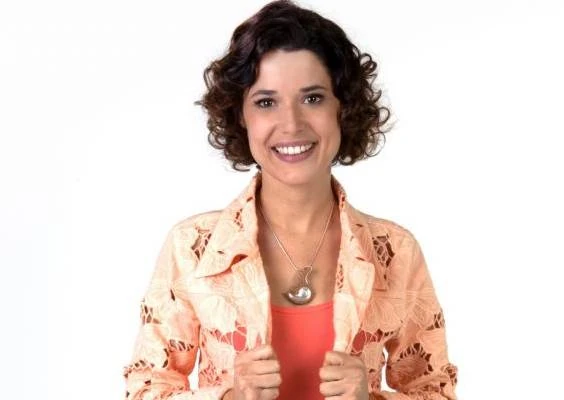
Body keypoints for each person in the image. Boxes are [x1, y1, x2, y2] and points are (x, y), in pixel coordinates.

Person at [123, 1, 458, 399]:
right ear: (241, 115)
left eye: (312, 98)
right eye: (266, 102)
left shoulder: (395, 252)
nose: (292, 124)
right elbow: (146, 388)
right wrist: (229, 397)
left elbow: (434, 389)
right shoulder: (192, 249)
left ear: (343, 107)